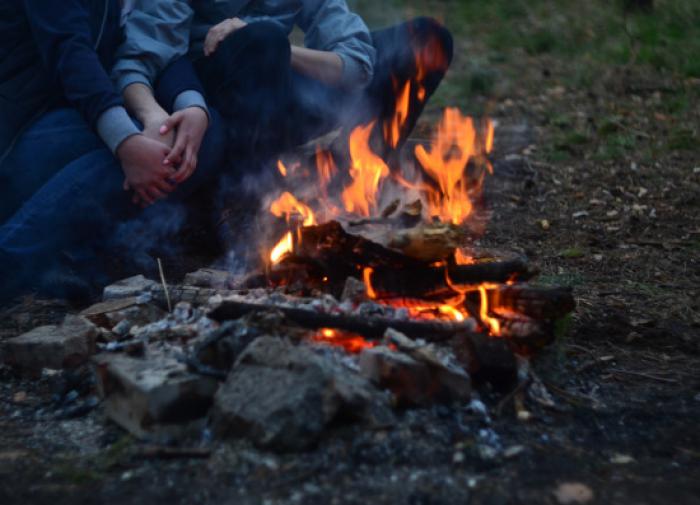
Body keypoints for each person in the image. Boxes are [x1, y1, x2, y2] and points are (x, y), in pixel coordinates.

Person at [0, 0, 226, 304]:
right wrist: (126, 141)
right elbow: (69, 52)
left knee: (198, 137)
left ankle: (78, 252)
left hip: (79, 117)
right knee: (135, 151)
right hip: (21, 130)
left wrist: (190, 106)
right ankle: (12, 257)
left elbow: (151, 47)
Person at [119, 1, 453, 163]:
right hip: (214, 114)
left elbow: (358, 64)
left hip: (279, 99)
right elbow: (136, 62)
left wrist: (287, 52)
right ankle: (241, 205)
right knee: (263, 40)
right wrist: (150, 116)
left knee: (426, 41)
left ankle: (352, 178)